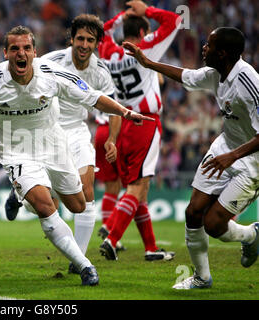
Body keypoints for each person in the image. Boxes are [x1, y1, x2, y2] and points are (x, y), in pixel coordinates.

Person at [0, 25, 153, 286]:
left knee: (78, 205)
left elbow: (93, 97)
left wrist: (125, 113)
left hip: (53, 144)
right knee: (46, 206)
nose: (20, 53)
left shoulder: (53, 74)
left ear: (35, 52)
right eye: (14, 49)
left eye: (26, 48)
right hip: (16, 151)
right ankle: (84, 266)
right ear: (5, 53)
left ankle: (21, 196)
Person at [123, 26, 259, 289]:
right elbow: (186, 76)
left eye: (209, 44)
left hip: (250, 160)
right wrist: (148, 63)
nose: (203, 48)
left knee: (214, 224)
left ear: (223, 53)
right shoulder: (216, 73)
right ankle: (202, 277)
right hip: (224, 149)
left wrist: (233, 156)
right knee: (193, 212)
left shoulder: (249, 82)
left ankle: (251, 235)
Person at [97, 0, 180, 261]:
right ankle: (112, 238)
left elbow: (102, 31)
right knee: (137, 187)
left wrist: (122, 16)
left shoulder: (109, 52)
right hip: (145, 122)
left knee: (140, 191)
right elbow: (174, 20)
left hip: (122, 124)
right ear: (143, 33)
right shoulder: (145, 47)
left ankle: (151, 248)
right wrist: (147, 11)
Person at [40, 14, 121, 274]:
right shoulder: (50, 61)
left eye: (90, 40)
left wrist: (111, 139)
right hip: (48, 132)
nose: (84, 44)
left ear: (97, 43)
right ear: (71, 39)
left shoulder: (100, 71)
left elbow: (114, 109)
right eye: (80, 39)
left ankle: (80, 260)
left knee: (87, 193)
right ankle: (18, 194)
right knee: (43, 198)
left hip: (76, 131)